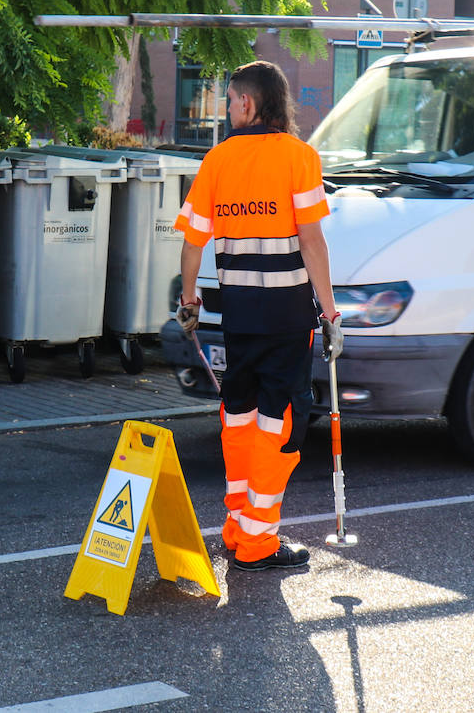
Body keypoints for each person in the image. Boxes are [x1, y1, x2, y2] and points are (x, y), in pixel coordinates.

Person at [173, 61, 343, 572]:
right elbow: (311, 241)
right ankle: (258, 543)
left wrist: (189, 300)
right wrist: (331, 313)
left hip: (239, 318)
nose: (226, 109)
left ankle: (236, 529)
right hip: (289, 318)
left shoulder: (218, 160)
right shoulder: (300, 157)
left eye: (228, 100)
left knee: (239, 421)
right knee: (279, 428)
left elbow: (192, 242)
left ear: (248, 104)